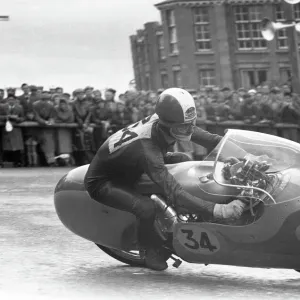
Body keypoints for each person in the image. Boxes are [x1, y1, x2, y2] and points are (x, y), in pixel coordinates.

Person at [84, 88, 245, 271]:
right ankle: (149, 250)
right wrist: (219, 210)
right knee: (146, 208)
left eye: (191, 124)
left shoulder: (173, 122)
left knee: (184, 161)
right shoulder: (147, 148)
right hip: (106, 181)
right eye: (184, 127)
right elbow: (174, 191)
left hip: (134, 165)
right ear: (166, 124)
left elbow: (211, 139)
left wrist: (247, 154)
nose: (190, 130)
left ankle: (178, 218)